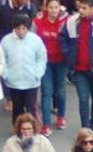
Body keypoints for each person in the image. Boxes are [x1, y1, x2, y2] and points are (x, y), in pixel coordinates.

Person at [59, 0, 93, 132]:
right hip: (79, 70)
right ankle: (85, 128)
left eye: (84, 8)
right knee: (83, 100)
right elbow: (62, 38)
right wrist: (68, 55)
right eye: (80, 7)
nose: (81, 11)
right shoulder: (71, 21)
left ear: (92, 8)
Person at [0, 15, 46, 121]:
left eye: (23, 28)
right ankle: (18, 131)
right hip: (14, 82)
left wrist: (37, 74)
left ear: (28, 28)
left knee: (31, 108)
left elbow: (42, 58)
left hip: (31, 82)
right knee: (17, 109)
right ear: (14, 28)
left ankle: (32, 131)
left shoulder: (36, 40)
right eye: (18, 29)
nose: (21, 31)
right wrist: (6, 75)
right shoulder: (6, 41)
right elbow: (2, 60)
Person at [33, 1, 68, 136]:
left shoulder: (66, 20)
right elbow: (33, 39)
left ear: (60, 8)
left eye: (56, 7)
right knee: (46, 92)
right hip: (45, 62)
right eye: (51, 7)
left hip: (61, 61)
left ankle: (60, 117)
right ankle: (46, 124)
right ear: (46, 8)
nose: (54, 10)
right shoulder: (38, 21)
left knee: (60, 91)